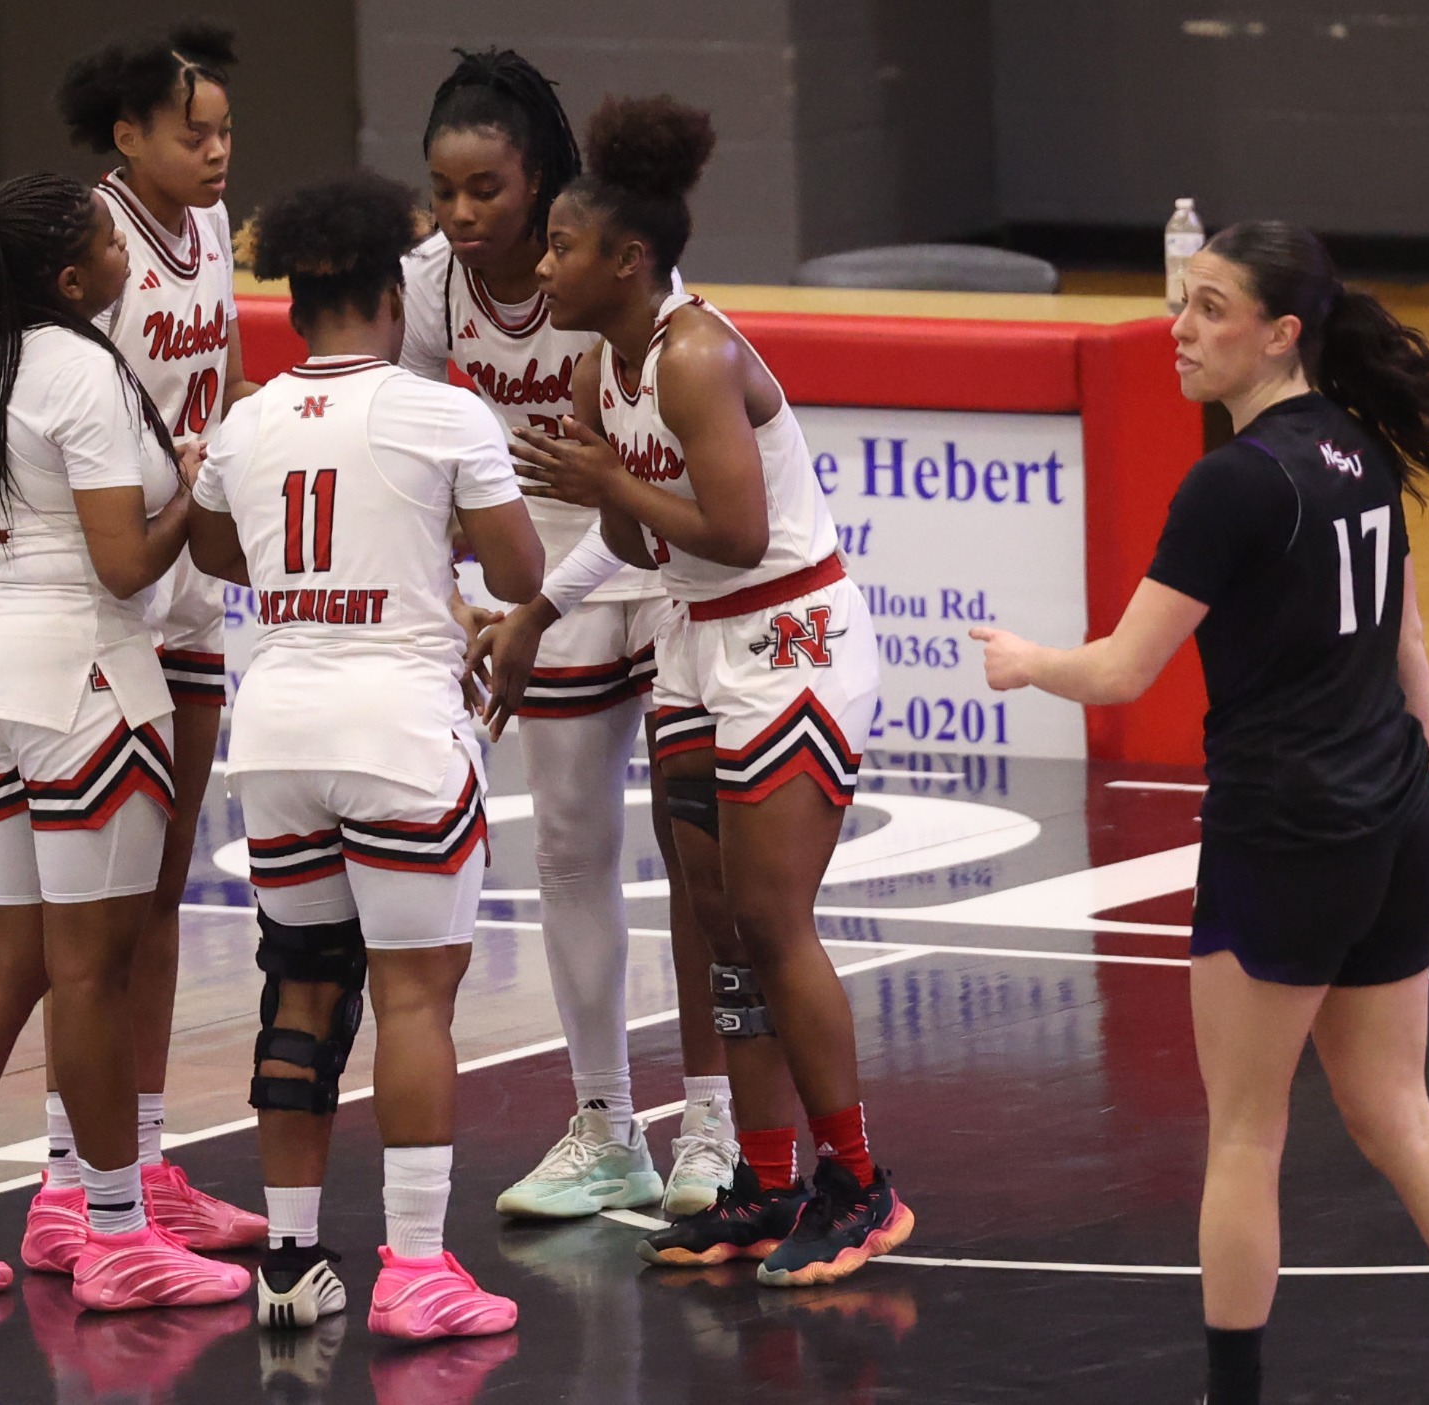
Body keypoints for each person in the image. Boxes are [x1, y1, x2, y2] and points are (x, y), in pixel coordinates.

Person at [972, 221, 1429, 1405]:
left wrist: (1023, 659)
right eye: (1181, 303)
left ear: (1278, 334)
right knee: (1398, 1115)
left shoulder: (1234, 480)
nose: (1179, 329)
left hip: (1284, 831)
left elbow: (1121, 671)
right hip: (1383, 820)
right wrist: (1425, 803)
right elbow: (1404, 643)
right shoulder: (1356, 448)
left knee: (1245, 1134)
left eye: (1208, 309)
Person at [509, 95, 914, 1287]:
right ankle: (768, 1179)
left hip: (787, 635)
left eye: (559, 247)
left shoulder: (692, 356)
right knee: (723, 927)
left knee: (775, 923)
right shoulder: (603, 368)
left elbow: (736, 534)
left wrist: (609, 488)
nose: (541, 264)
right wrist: (537, 611)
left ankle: (862, 1182)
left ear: (626, 260)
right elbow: (642, 550)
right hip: (696, 643)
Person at [0, 172, 248, 1313]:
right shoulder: (80, 368)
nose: (125, 249)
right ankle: (119, 1231)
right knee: (94, 970)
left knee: (12, 964)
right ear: (72, 277)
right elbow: (126, 565)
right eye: (103, 239)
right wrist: (194, 478)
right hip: (82, 683)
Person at [183, 168, 543, 1340]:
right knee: (412, 1001)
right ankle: (420, 1268)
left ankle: (289, 1264)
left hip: (278, 726)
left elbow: (219, 553)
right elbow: (523, 576)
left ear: (292, 305)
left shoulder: (245, 421)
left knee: (300, 988)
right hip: (398, 725)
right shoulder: (442, 412)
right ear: (393, 294)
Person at [405, 47, 740, 1222]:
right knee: (567, 849)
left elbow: (688, 467)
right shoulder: (428, 285)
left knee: (701, 858)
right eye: (442, 191)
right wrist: (451, 599)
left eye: (484, 191)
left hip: (657, 549)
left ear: (540, 176)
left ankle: (714, 1120)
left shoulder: (614, 268)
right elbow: (396, 448)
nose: (458, 215)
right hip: (539, 566)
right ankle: (606, 1121)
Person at [22, 19, 263, 1251]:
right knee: (95, 926)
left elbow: (212, 385)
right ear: (128, 138)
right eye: (193, 133)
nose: (219, 152)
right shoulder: (89, 249)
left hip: (184, 580)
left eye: (225, 130)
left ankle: (148, 1159)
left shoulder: (216, 227)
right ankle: (72, 1178)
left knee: (166, 890)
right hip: (103, 586)